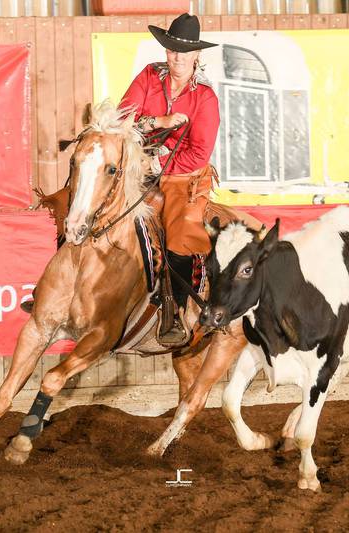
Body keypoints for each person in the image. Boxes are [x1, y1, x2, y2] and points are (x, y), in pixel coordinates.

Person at [120, 13, 220, 346]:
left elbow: (198, 154)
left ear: (196, 55)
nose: (177, 57)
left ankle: (177, 311)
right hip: (136, 166)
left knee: (179, 232)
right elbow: (123, 118)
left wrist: (156, 160)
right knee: (87, 202)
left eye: (184, 52)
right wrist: (158, 122)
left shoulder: (205, 97)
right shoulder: (150, 75)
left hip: (183, 177)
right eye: (172, 49)